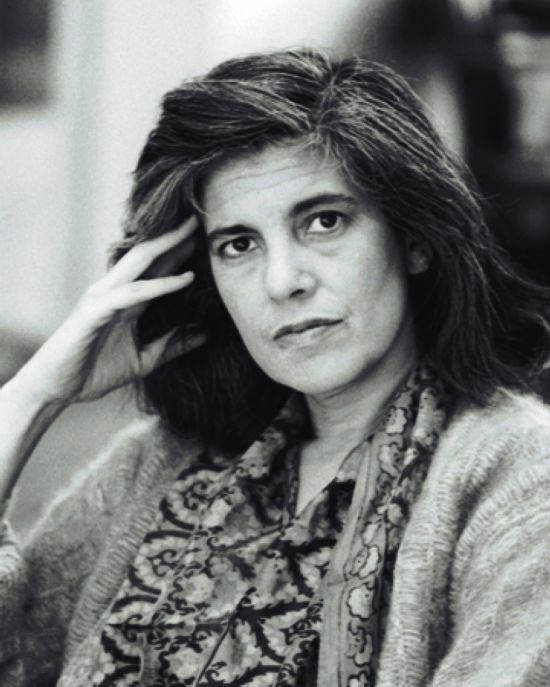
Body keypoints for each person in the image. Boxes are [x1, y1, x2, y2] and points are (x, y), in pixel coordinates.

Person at [1, 48, 550, 687]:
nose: (283, 281)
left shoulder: (520, 481)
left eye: (323, 222)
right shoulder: (163, 461)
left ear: (415, 239)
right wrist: (30, 398)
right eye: (239, 245)